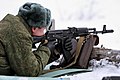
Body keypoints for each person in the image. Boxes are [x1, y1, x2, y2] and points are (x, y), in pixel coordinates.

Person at [0, 2, 73, 76]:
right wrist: (46, 48)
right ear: (34, 28)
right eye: (44, 29)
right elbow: (31, 71)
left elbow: (28, 60)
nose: (44, 33)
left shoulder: (13, 23)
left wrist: (55, 51)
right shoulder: (19, 34)